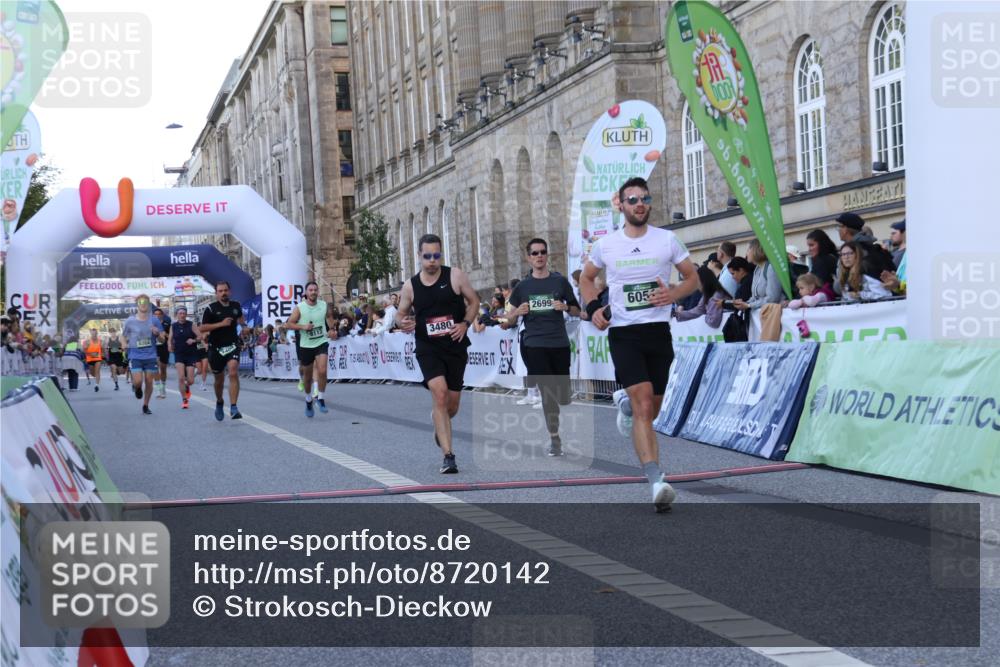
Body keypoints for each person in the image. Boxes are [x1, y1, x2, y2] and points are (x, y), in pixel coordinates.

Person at [579, 177, 699, 512]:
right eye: (632, 199)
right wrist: (592, 309)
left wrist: (672, 294)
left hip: (658, 332)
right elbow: (586, 278)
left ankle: (626, 405)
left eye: (644, 198)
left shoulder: (667, 240)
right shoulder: (607, 245)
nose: (639, 204)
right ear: (621, 204)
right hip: (624, 333)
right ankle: (656, 480)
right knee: (645, 404)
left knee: (651, 408)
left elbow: (693, 278)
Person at [395, 233, 480, 474]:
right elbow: (400, 314)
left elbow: (474, 301)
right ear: (419, 256)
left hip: (455, 346)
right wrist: (403, 323)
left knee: (451, 406)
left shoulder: (455, 275)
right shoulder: (411, 285)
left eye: (436, 255)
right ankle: (449, 456)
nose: (432, 260)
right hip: (428, 348)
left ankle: (439, 422)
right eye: (427, 256)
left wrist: (464, 323)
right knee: (440, 394)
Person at [507, 238, 581, 456]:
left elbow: (577, 310)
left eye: (542, 252)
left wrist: (565, 306)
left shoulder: (560, 282)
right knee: (548, 394)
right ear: (528, 258)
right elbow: (508, 320)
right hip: (535, 344)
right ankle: (554, 438)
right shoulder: (522, 287)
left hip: (558, 343)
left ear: (547, 255)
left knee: (563, 396)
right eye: (535, 253)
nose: (539, 256)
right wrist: (516, 313)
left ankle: (560, 403)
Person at [282, 281, 338, 417]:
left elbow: (330, 320)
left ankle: (321, 398)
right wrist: (303, 327)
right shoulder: (300, 308)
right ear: (306, 293)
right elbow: (288, 324)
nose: (313, 292)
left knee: (323, 371)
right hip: (306, 345)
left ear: (318, 292)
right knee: (307, 378)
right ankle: (308, 400)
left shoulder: (324, 305)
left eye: (315, 290)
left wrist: (332, 330)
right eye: (310, 290)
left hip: (321, 342)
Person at [200, 281, 246, 421]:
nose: (223, 293)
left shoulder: (236, 305)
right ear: (216, 293)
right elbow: (202, 328)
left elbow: (241, 320)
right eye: (220, 291)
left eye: (225, 290)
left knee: (233, 371)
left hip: (232, 344)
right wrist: (221, 324)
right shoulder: (211, 308)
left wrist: (245, 328)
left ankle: (233, 407)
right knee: (219, 380)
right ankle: (219, 401)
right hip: (216, 348)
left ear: (229, 291)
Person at [121, 294, 164, 415]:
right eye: (140, 302)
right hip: (135, 355)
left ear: (149, 304)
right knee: (138, 381)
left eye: (145, 301)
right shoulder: (130, 321)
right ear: (137, 304)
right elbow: (123, 336)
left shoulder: (154, 320)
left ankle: (145, 405)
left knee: (149, 382)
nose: (143, 304)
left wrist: (157, 334)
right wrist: (124, 343)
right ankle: (137, 387)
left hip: (150, 356)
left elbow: (163, 340)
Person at [835, 212, 895, 277]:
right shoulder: (874, 248)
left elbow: (843, 282)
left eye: (839, 227)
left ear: (845, 229)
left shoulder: (852, 251)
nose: (838, 231)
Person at [732, 240, 784, 312]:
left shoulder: (771, 268)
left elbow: (773, 298)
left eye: (748, 250)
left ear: (755, 250)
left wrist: (749, 305)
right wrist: (745, 303)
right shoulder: (757, 268)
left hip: (774, 314)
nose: (746, 254)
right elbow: (755, 297)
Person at [674, 264, 732, 329]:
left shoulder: (716, 295)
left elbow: (713, 321)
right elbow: (698, 310)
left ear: (703, 281)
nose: (697, 287)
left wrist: (704, 315)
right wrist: (677, 314)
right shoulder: (707, 295)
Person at [168, 307, 201, 409]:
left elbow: (200, 336)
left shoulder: (191, 325)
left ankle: (187, 386)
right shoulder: (173, 326)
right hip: (179, 354)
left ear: (186, 315)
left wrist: (194, 340)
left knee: (190, 381)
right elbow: (170, 338)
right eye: (180, 313)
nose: (182, 315)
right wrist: (169, 345)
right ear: (177, 315)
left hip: (191, 354)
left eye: (184, 313)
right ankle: (184, 399)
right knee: (181, 377)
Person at [152, 307, 172, 399]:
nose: (157, 316)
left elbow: (171, 336)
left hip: (163, 347)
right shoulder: (150, 324)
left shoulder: (167, 324)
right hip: (154, 348)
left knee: (163, 369)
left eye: (158, 314)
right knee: (155, 368)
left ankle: (163, 387)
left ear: (162, 315)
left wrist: (164, 334)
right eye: (155, 314)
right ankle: (159, 389)